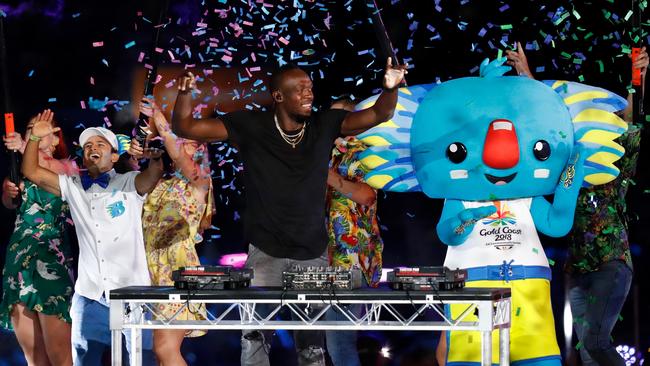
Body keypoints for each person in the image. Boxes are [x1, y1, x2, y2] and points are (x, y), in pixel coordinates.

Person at [170, 58, 406, 366]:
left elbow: (380, 113)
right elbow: (185, 126)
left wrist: (390, 87)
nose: (309, 94)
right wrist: (185, 94)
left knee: (312, 345)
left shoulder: (324, 123)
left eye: (310, 88)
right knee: (254, 338)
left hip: (312, 253)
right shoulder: (251, 125)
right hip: (265, 251)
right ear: (279, 96)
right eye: (300, 89)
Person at [506, 43, 648, 366]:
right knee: (586, 351)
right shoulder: (568, 163)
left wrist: (638, 75)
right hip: (578, 269)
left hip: (611, 264)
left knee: (596, 342)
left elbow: (632, 117)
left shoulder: (618, 163)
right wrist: (527, 75)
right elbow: (548, 119)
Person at [20, 111, 164, 366]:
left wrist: (154, 158)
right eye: (87, 146)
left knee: (141, 362)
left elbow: (152, 176)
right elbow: (31, 171)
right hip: (90, 294)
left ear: (115, 156)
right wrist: (33, 138)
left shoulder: (128, 183)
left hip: (131, 292)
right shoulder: (73, 185)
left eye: (100, 144)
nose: (92, 148)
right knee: (83, 361)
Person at [133, 97, 214, 366]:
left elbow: (176, 152)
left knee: (166, 349)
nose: (182, 147)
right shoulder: (160, 180)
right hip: (149, 270)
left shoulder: (200, 180)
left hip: (178, 271)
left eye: (191, 142)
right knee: (160, 354)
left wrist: (158, 115)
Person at [0, 110, 76, 366]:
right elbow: (9, 204)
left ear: (55, 138)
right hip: (19, 259)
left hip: (51, 259)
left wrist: (25, 144)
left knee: (60, 356)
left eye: (41, 129)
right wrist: (9, 191)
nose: (35, 133)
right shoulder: (19, 169)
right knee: (34, 359)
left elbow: (45, 170)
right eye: (31, 128)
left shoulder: (68, 167)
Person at [324, 98, 384, 366]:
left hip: (352, 259)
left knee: (340, 342)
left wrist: (327, 176)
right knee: (328, 342)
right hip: (324, 257)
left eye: (341, 117)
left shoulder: (363, 152)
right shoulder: (328, 152)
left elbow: (367, 196)